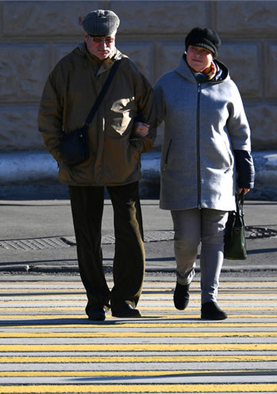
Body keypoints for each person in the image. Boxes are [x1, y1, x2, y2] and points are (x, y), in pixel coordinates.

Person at [37, 10, 155, 321]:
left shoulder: (128, 69)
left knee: (130, 235)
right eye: (97, 40)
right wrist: (60, 154)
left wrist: (138, 146)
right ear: (85, 38)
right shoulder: (66, 69)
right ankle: (96, 300)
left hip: (122, 165)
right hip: (81, 166)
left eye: (109, 40)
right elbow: (48, 116)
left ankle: (126, 300)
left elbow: (150, 112)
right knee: (87, 237)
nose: (103, 46)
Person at [153, 27, 254, 320]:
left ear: (213, 56)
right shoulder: (167, 84)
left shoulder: (228, 88)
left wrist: (245, 167)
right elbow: (150, 119)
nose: (198, 55)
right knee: (186, 240)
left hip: (219, 175)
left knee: (215, 238)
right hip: (179, 175)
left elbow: (240, 132)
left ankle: (209, 300)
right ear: (186, 52)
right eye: (194, 50)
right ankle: (184, 278)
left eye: (204, 51)